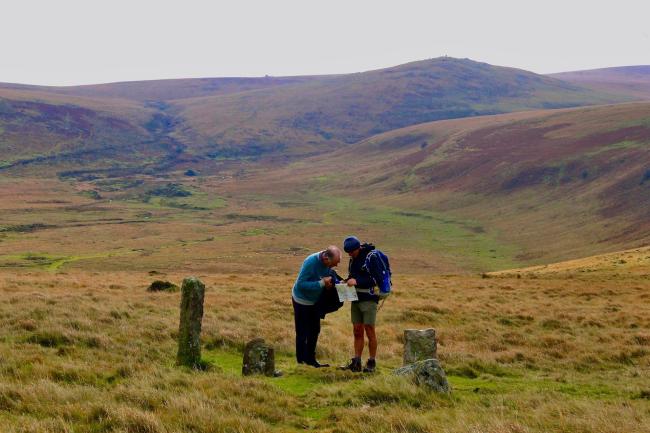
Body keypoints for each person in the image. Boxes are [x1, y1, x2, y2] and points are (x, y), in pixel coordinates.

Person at [291, 245, 342, 367]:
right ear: (325, 259)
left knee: (314, 330)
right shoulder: (310, 262)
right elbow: (301, 284)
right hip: (301, 301)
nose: (335, 266)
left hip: (315, 302)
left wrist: (329, 285)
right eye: (334, 264)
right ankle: (301, 362)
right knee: (302, 332)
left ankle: (311, 360)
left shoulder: (327, 263)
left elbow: (328, 277)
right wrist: (321, 283)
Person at [341, 236, 379, 373]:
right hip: (355, 299)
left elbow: (375, 279)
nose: (350, 254)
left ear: (358, 248)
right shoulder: (353, 259)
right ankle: (356, 361)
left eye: (351, 252)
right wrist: (347, 281)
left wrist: (357, 281)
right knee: (357, 330)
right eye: (348, 253)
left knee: (370, 330)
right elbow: (353, 276)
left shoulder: (370, 258)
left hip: (369, 299)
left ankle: (371, 362)